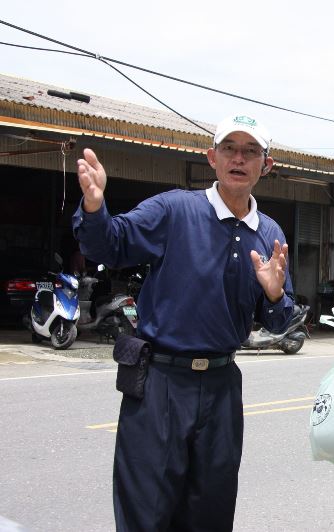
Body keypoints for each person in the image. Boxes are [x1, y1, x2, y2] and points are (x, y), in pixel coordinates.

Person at [72, 114, 295, 531]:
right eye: (229, 148)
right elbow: (111, 244)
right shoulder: (174, 209)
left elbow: (281, 320)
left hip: (222, 386)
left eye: (251, 151)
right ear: (212, 157)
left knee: (211, 511)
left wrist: (274, 294)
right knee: (147, 511)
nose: (239, 158)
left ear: (266, 165)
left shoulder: (269, 234)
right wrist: (95, 207)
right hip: (161, 383)